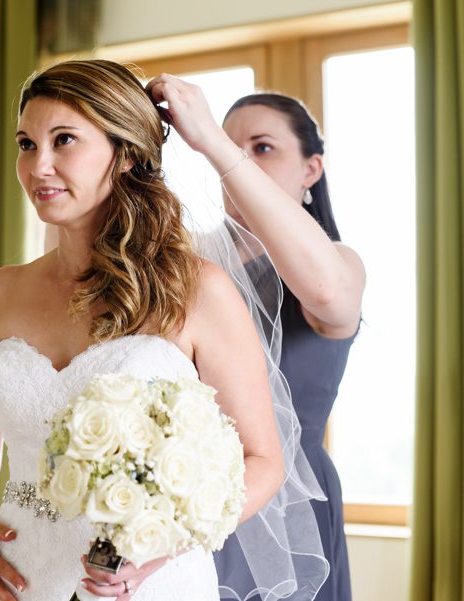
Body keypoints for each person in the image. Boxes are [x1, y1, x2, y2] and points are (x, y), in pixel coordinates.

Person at [0, 59, 323, 601]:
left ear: (124, 155)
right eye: (27, 144)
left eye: (64, 140)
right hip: (15, 581)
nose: (39, 165)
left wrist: (167, 544)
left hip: (148, 585)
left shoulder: (198, 291)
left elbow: (262, 461)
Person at [137, 85, 362, 601]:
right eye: (231, 147)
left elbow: (327, 292)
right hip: (180, 492)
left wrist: (214, 142)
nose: (237, 162)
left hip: (293, 504)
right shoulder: (185, 266)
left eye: (261, 148)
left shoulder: (340, 263)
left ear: (311, 171)